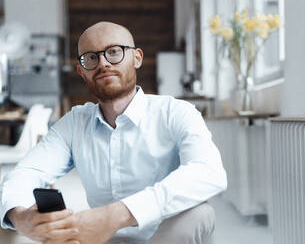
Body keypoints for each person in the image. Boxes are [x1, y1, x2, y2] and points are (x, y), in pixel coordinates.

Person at [0, 21, 227, 244]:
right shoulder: (74, 123)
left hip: (164, 236)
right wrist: (20, 217)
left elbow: (209, 172)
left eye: (114, 52)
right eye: (91, 57)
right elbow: (27, 171)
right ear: (81, 71)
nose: (103, 63)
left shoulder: (176, 112)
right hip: (102, 240)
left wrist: (115, 215)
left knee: (199, 214)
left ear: (137, 58)